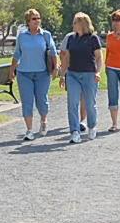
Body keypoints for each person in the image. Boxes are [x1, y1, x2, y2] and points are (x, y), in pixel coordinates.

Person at [10, 8, 57, 141]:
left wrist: (56, 69)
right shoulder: (22, 36)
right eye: (34, 19)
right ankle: (29, 130)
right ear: (28, 22)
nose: (37, 21)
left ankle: (43, 121)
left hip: (42, 73)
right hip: (24, 74)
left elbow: (53, 52)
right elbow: (17, 54)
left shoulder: (46, 35)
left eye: (38, 18)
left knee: (42, 100)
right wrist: (11, 70)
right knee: (27, 102)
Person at [59, 12, 103, 143]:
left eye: (75, 23)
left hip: (89, 74)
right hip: (73, 74)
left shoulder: (93, 39)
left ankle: (92, 126)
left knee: (90, 103)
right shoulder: (71, 39)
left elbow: (99, 58)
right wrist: (62, 74)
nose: (73, 25)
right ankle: (74, 131)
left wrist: (98, 72)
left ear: (82, 24)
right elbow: (67, 58)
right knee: (72, 103)